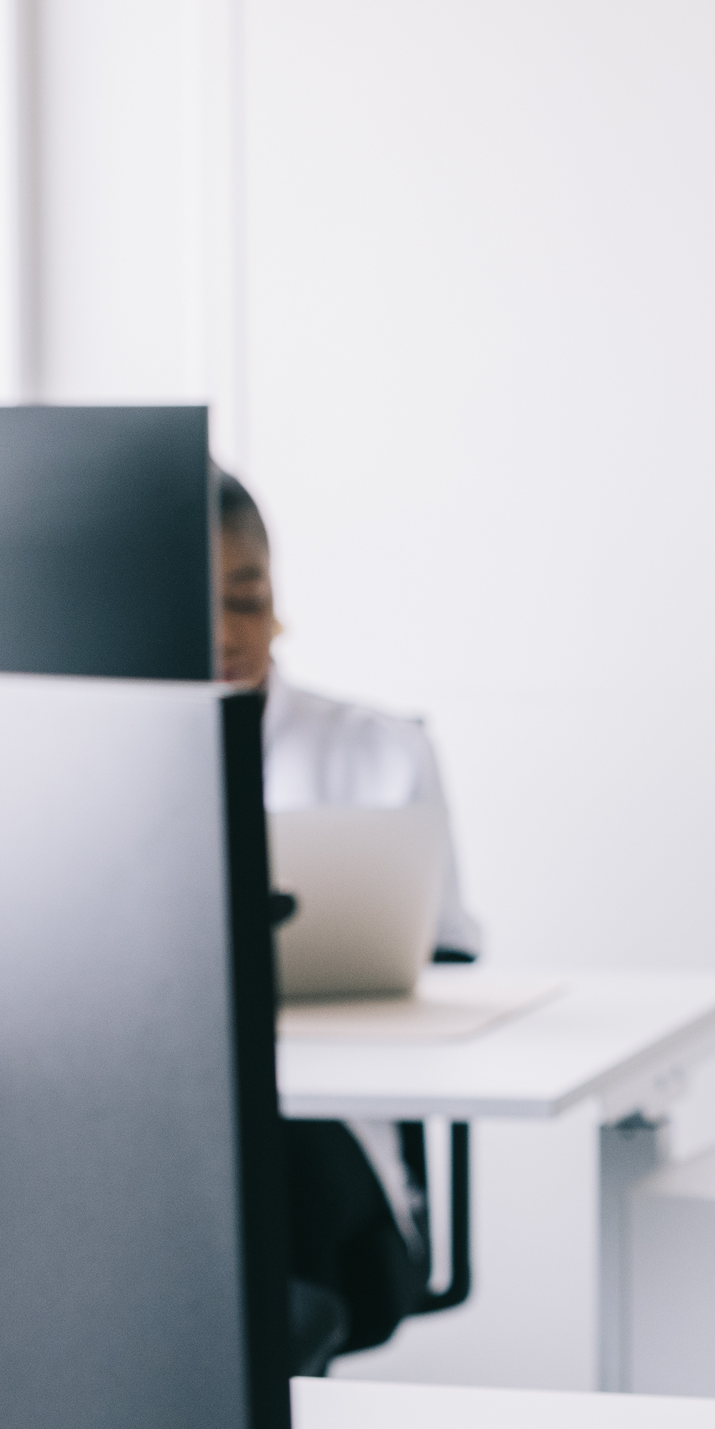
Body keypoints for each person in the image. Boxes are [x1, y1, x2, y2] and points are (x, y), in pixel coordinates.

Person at [218, 469, 482, 1371]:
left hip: (329, 1182)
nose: (223, 633)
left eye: (246, 600)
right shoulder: (73, 774)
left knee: (253, 1138)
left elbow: (447, 967)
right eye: (192, 603)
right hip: (158, 1146)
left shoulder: (376, 753)